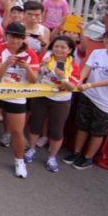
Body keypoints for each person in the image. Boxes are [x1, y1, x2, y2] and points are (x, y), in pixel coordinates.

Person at [65, 28, 108, 170]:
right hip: (88, 95)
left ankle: (88, 157)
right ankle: (76, 152)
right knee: (82, 126)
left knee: (97, 131)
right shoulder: (97, 53)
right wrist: (80, 80)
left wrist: (90, 84)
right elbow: (86, 69)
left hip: (105, 102)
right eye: (107, 37)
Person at [0, 22, 39, 178]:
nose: (15, 41)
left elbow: (34, 80)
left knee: (17, 131)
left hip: (17, 95)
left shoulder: (30, 54)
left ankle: (19, 161)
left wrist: (27, 67)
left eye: (19, 38)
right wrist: (7, 63)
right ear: (7, 36)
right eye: (12, 37)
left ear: (23, 39)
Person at [26, 35, 80, 173]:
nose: (59, 49)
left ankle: (52, 157)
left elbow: (72, 87)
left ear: (70, 50)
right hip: (40, 95)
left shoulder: (73, 64)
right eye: (56, 46)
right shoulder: (46, 58)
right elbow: (34, 73)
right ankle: (31, 149)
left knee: (56, 129)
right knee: (35, 124)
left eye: (63, 47)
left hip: (61, 100)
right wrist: (40, 67)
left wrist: (62, 77)